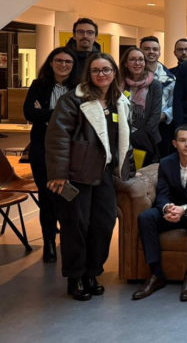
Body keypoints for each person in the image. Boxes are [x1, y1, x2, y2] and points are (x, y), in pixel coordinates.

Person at [45, 53, 134, 300]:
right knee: (76, 226)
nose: (101, 74)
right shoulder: (72, 100)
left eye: (106, 70)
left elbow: (123, 138)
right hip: (76, 174)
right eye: (96, 70)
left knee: (104, 224)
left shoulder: (119, 101)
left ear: (115, 72)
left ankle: (92, 272)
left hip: (104, 173)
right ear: (89, 74)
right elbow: (57, 137)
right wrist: (59, 173)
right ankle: (75, 277)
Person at [132, 125, 187, 301]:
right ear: (174, 143)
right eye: (182, 140)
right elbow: (162, 194)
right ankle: (156, 274)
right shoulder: (166, 163)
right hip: (172, 211)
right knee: (146, 217)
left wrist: (184, 209)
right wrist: (167, 208)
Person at [23, 47, 79, 264]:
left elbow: (80, 117)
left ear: (73, 66)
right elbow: (29, 113)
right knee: (46, 196)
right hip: (41, 149)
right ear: (51, 62)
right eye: (59, 60)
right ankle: (48, 242)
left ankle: (68, 240)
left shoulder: (79, 89)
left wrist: (45, 114)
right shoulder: (39, 85)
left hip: (71, 149)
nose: (63, 65)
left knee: (68, 196)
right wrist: (61, 114)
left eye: (68, 62)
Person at [120, 47, 163, 168]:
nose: (137, 63)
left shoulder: (155, 85)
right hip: (121, 139)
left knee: (141, 178)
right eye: (132, 59)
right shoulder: (118, 84)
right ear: (125, 63)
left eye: (140, 59)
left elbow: (155, 116)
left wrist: (134, 137)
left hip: (146, 140)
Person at [140, 36, 176, 158]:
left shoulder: (170, 78)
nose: (151, 52)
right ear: (140, 51)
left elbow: (174, 104)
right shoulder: (130, 77)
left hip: (160, 128)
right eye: (147, 49)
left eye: (155, 49)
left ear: (159, 52)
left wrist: (163, 115)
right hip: (136, 127)